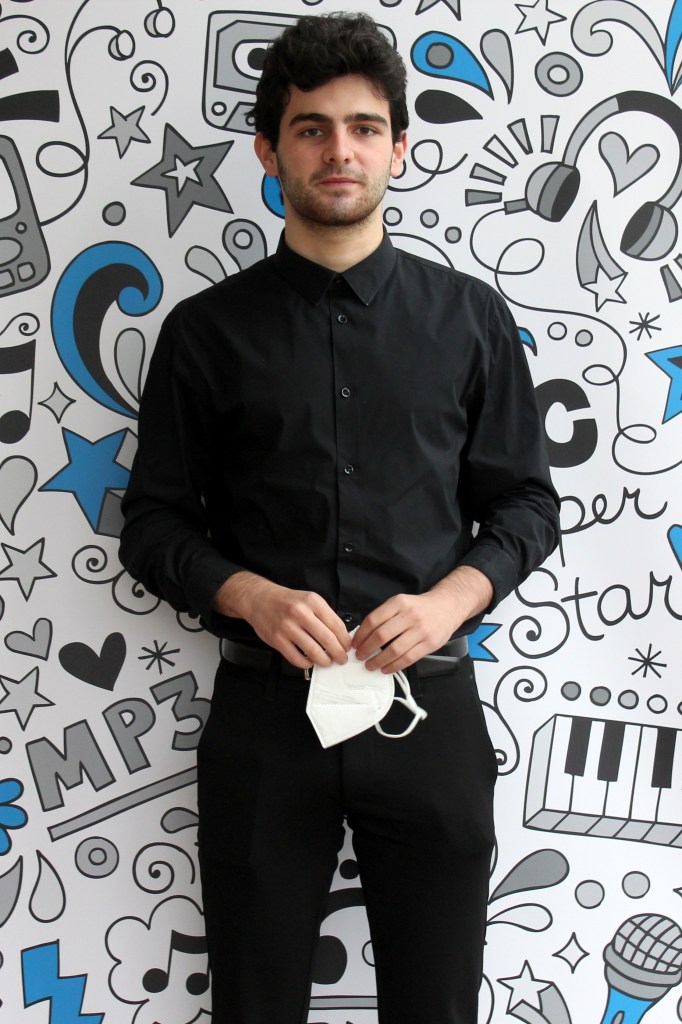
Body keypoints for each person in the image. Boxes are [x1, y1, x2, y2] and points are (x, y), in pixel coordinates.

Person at [120, 11, 560, 1024]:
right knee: (255, 1006)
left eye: (364, 128)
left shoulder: (472, 320)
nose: (339, 151)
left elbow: (527, 503)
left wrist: (448, 602)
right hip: (265, 719)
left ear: (399, 148)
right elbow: (152, 523)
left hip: (429, 709)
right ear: (268, 150)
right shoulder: (203, 333)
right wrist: (249, 594)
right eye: (311, 128)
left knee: (437, 1006)